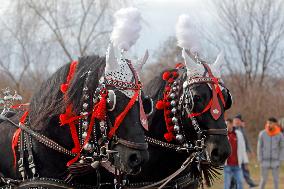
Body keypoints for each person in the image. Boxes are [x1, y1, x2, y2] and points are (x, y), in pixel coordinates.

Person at [257, 117, 284, 189]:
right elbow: (259, 147)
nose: (269, 124)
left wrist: (280, 159)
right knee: (263, 180)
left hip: (275, 161)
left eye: (271, 123)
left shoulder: (280, 135)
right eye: (268, 123)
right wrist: (260, 159)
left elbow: (282, 147)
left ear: (275, 124)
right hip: (264, 161)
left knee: (276, 181)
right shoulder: (262, 134)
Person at [232, 114, 258, 188]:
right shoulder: (232, 129)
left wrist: (249, 151)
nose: (236, 122)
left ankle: (250, 183)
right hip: (235, 155)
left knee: (245, 170)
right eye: (235, 121)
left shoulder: (242, 129)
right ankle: (234, 185)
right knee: (235, 171)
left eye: (238, 121)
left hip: (243, 153)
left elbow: (246, 141)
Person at [224, 118, 248, 189]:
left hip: (237, 165)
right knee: (227, 184)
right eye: (225, 124)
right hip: (227, 165)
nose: (227, 126)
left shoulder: (238, 134)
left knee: (240, 182)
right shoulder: (224, 135)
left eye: (228, 124)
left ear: (231, 124)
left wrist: (245, 162)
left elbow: (243, 149)